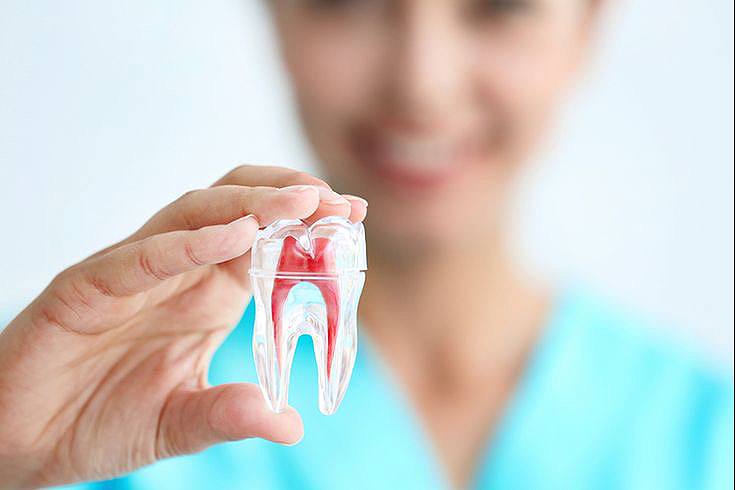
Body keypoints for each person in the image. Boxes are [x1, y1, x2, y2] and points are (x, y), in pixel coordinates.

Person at [0, 1, 732, 489]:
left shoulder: (709, 443)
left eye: (498, 5)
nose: (421, 85)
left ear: (587, 24)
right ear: (276, 15)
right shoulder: (79, 405)